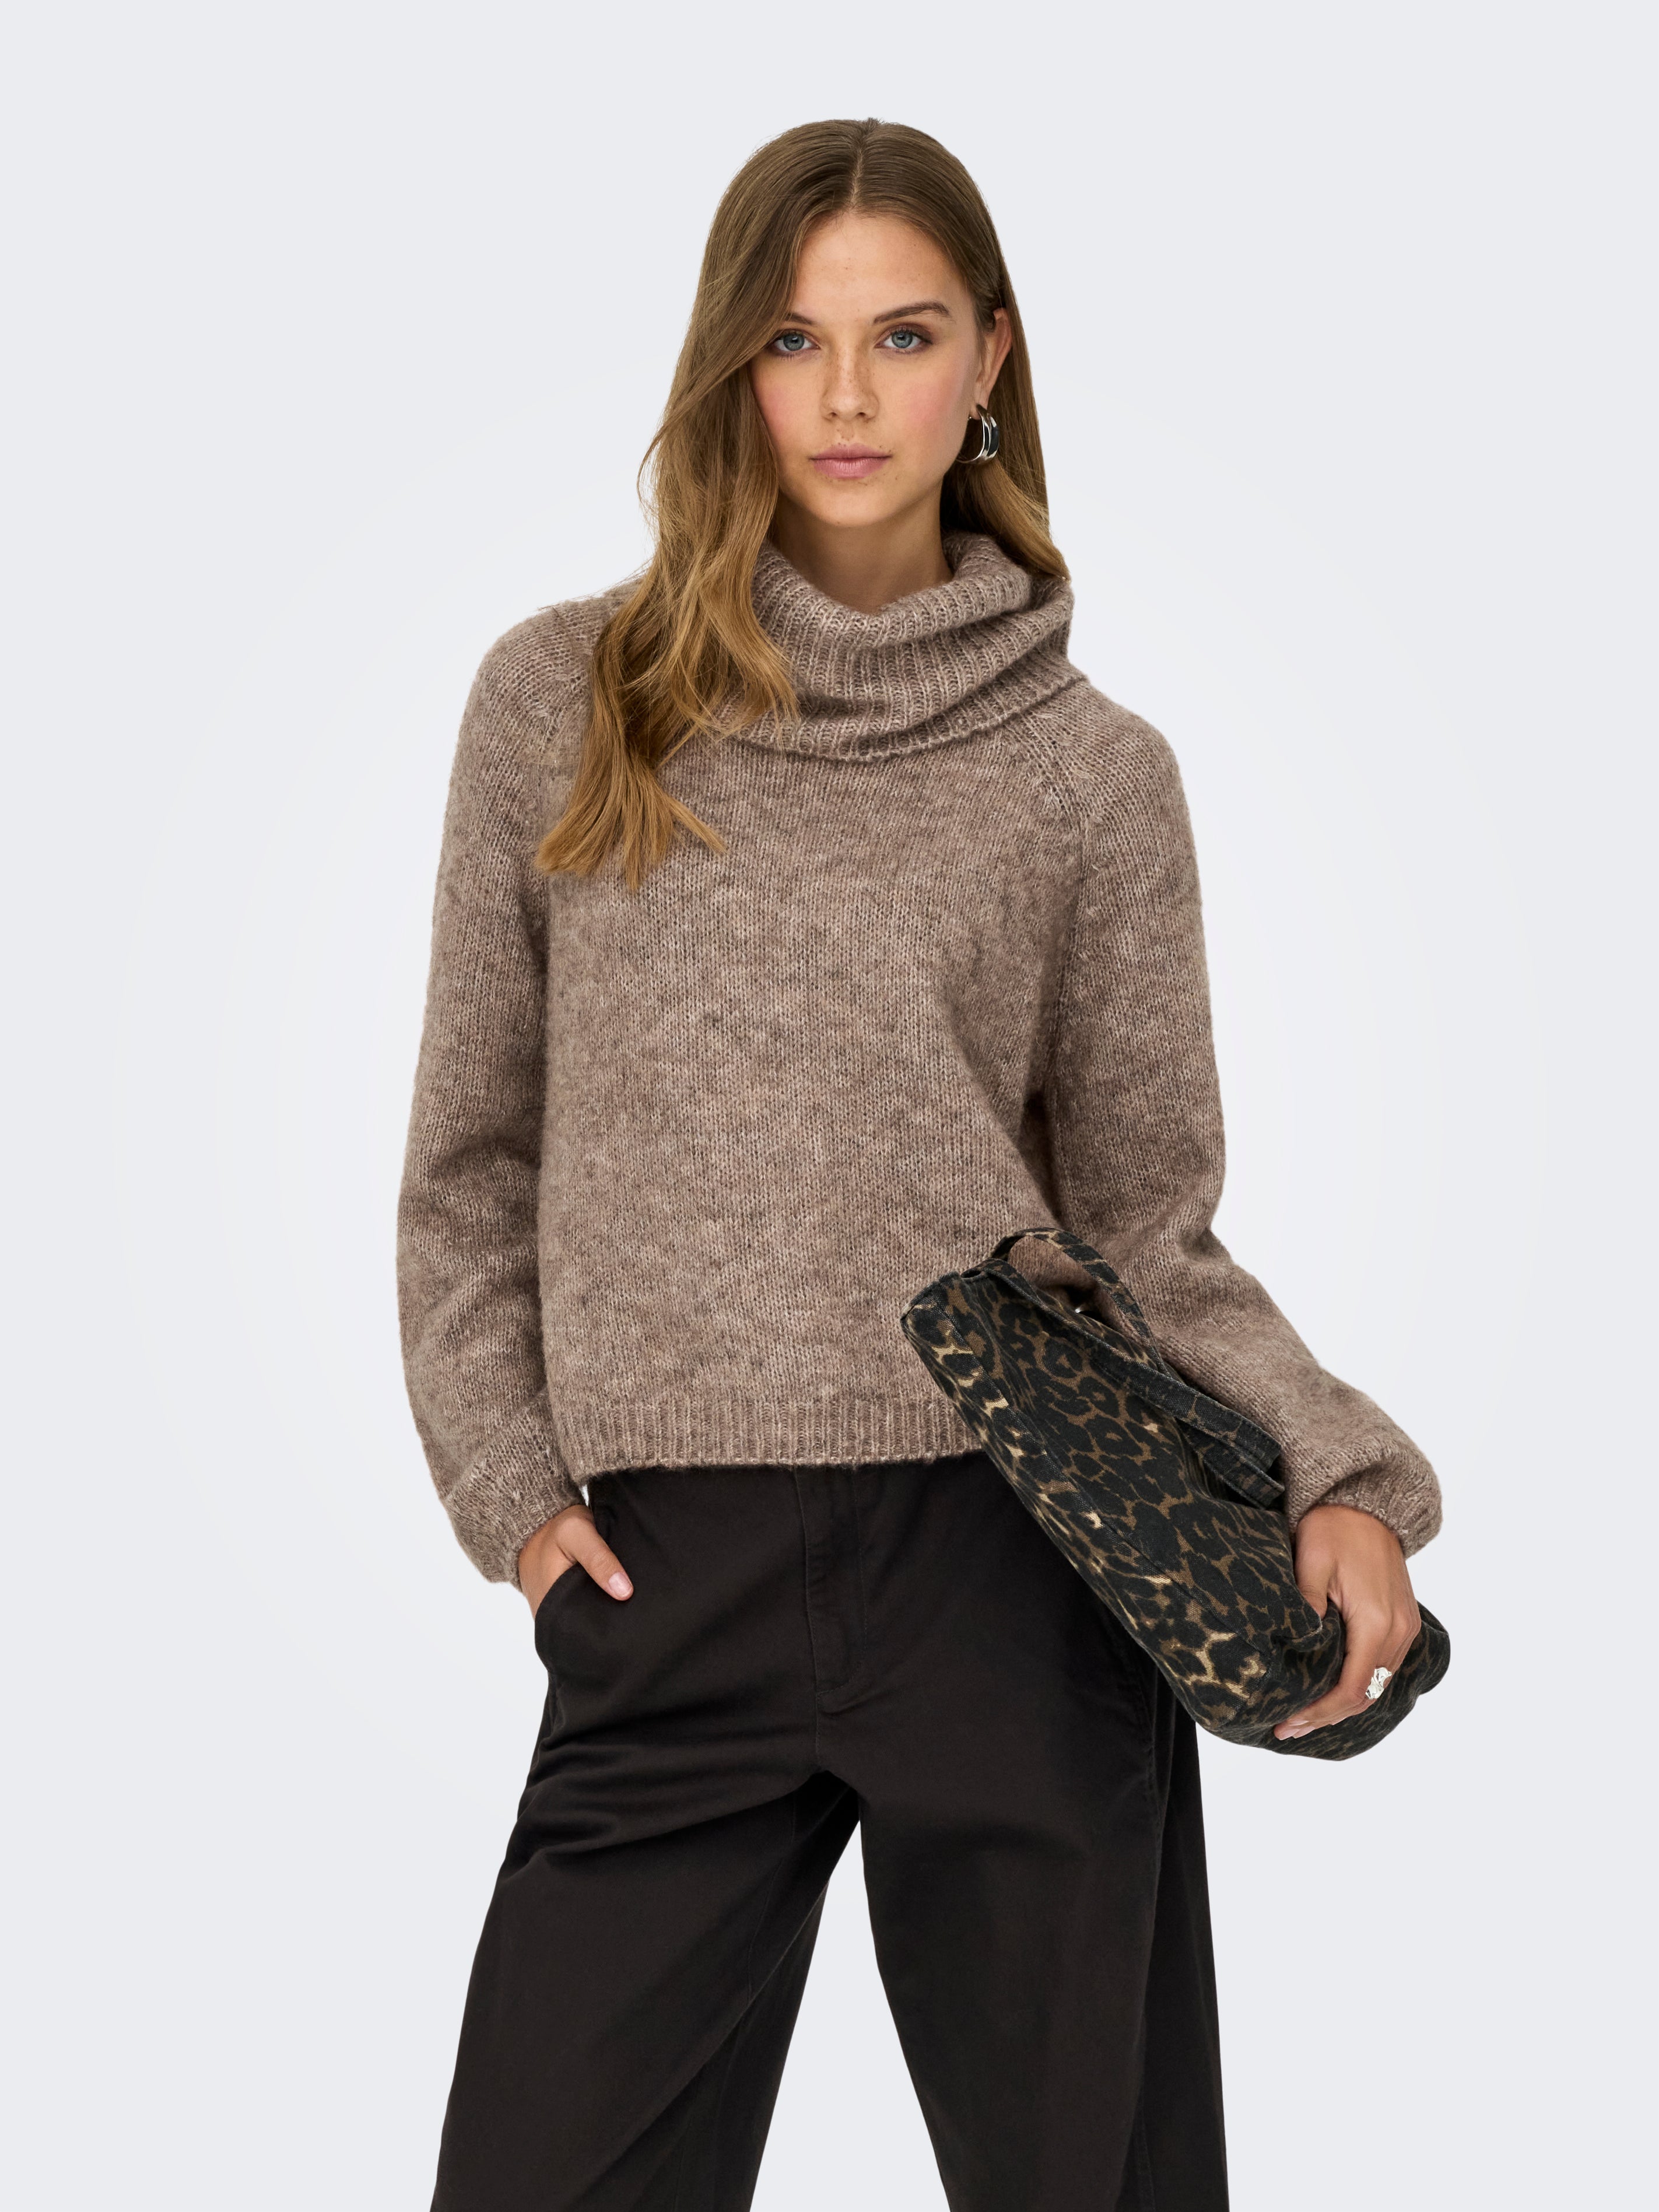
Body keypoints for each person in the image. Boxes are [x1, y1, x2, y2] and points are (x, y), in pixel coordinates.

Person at [397, 117, 1441, 2212]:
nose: (848, 395)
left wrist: (1341, 1468)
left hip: (1013, 1556)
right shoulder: (571, 704)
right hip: (669, 1581)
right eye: (795, 338)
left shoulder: (1091, 776)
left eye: (903, 333)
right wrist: (511, 1497)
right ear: (732, 364)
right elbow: (468, 1164)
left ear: (991, 360)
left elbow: (1150, 1231)